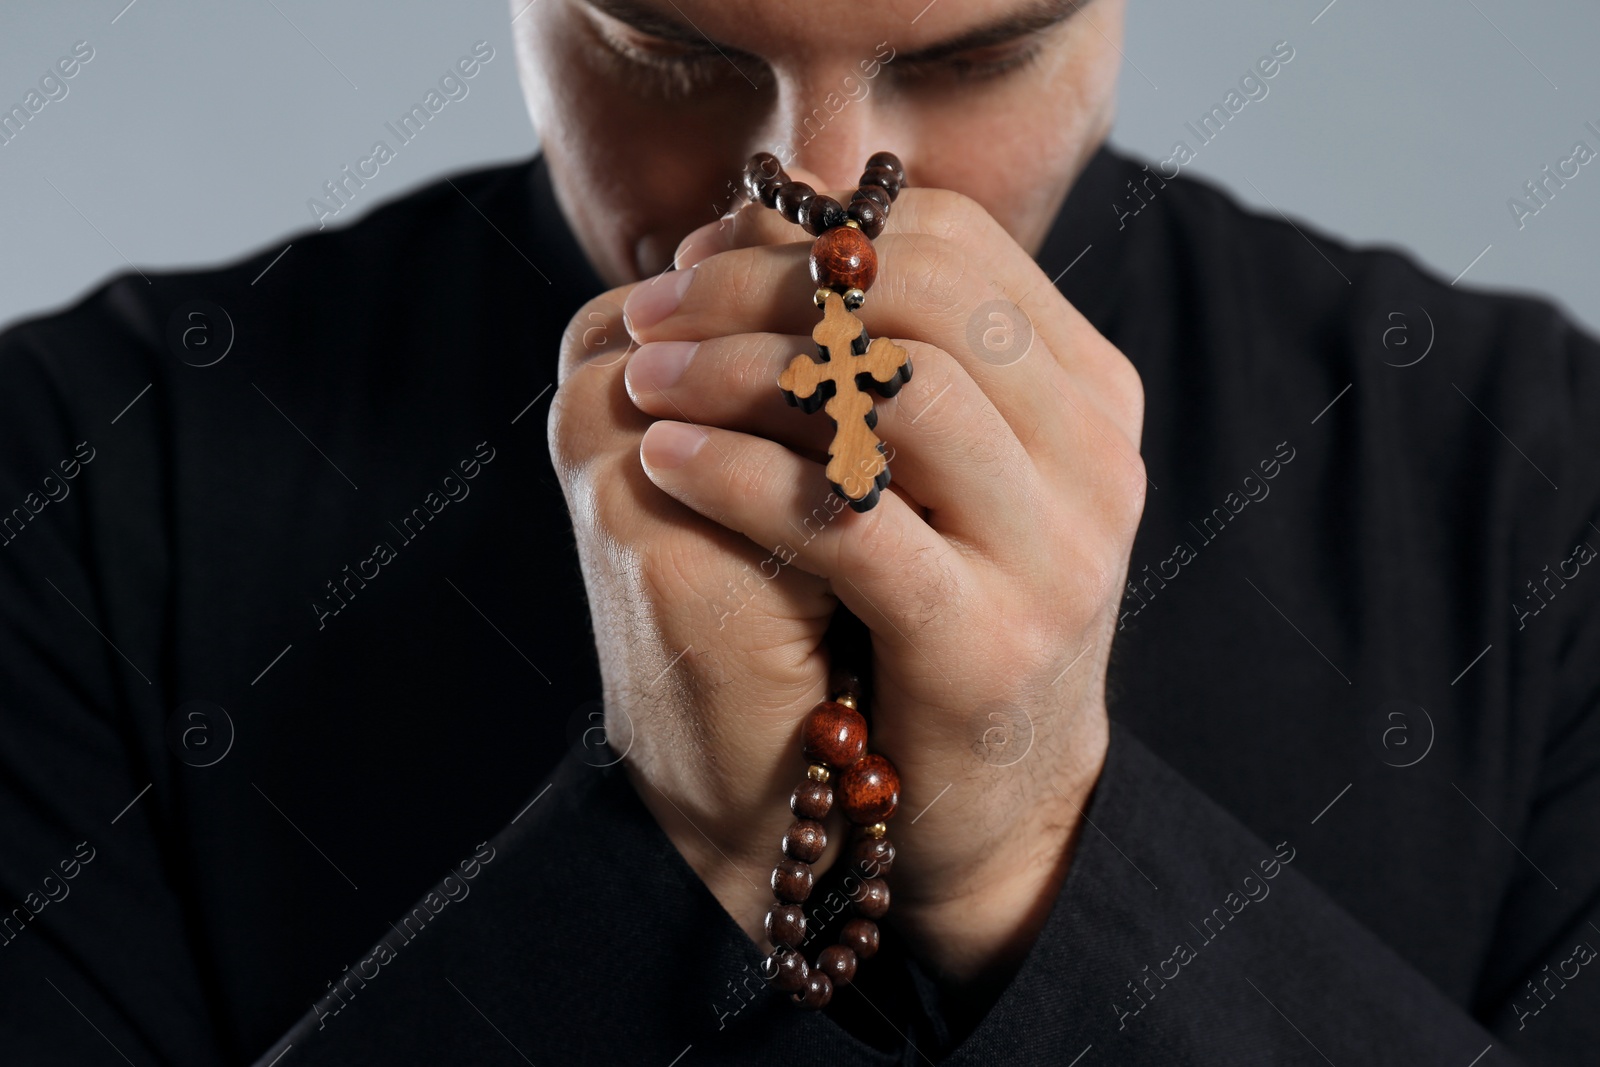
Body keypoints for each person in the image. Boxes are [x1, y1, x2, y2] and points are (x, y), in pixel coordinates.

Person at [1, 1, 1595, 1063]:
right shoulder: (67, 484)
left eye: (973, 57)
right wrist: (666, 853)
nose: (817, 207)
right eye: (670, 51)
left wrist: (1039, 856)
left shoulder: (1538, 474)